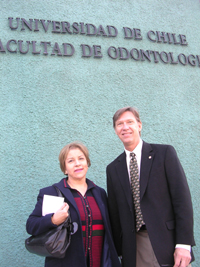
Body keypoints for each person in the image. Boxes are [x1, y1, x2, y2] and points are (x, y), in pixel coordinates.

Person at [106, 107, 195, 267]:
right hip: (133, 248)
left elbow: (182, 200)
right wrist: (120, 252)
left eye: (130, 122)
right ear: (115, 130)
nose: (125, 127)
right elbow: (115, 213)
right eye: (120, 124)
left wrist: (183, 244)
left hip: (167, 243)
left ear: (139, 125)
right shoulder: (113, 168)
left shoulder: (164, 153)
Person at [26, 141, 121, 267]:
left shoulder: (100, 193)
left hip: (100, 261)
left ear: (87, 162)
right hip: (65, 263)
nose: (77, 163)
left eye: (81, 158)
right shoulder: (51, 193)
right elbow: (31, 225)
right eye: (70, 161)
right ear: (64, 168)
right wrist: (53, 220)